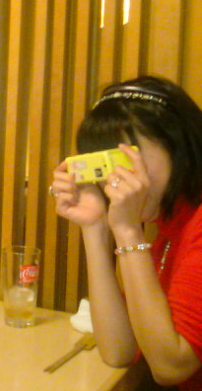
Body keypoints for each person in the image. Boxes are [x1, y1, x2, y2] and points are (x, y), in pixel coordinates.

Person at [50, 76, 202, 389]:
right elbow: (119, 350)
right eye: (105, 164)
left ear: (178, 147)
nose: (115, 177)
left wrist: (128, 231)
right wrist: (94, 227)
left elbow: (171, 367)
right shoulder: (168, 228)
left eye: (126, 158)